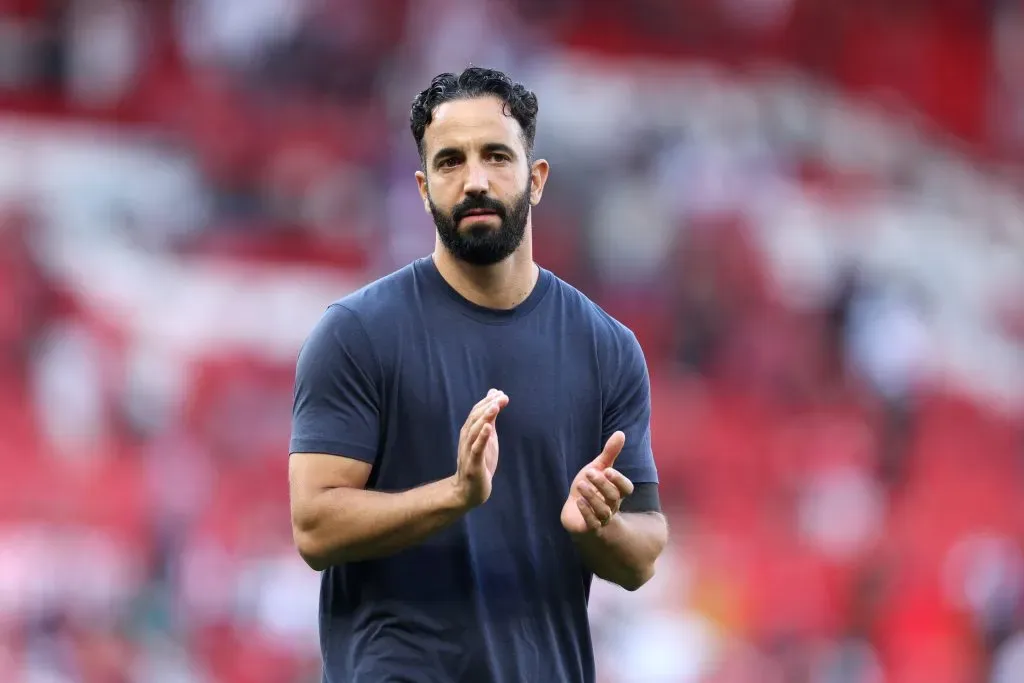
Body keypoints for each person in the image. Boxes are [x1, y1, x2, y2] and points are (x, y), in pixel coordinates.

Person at [288, 66, 669, 683]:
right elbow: (314, 527)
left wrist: (598, 529)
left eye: (496, 155)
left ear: (536, 178)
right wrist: (454, 496)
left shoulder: (607, 348)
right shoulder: (357, 333)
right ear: (422, 186)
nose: (474, 181)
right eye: (449, 162)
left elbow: (642, 554)